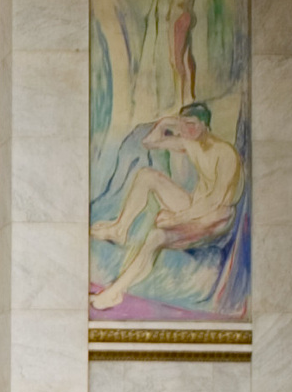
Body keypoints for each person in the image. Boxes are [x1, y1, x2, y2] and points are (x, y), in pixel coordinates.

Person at [90, 105, 246, 314]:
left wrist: (177, 218)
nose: (186, 130)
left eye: (191, 125)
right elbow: (149, 142)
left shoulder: (225, 154)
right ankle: (120, 228)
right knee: (147, 175)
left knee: (156, 236)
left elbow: (215, 202)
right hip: (194, 206)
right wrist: (164, 123)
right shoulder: (191, 143)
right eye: (182, 125)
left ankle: (115, 292)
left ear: (205, 125)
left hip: (214, 218)